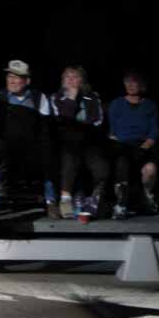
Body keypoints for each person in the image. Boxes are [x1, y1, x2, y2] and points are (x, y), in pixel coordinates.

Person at [0, 60, 57, 219]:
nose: (12, 81)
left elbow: (45, 127)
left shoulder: (38, 98)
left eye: (17, 77)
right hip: (6, 145)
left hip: (32, 147)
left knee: (48, 149)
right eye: (9, 76)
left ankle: (51, 201)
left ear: (27, 81)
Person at [49, 66, 110, 218]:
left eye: (74, 76)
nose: (70, 79)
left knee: (101, 166)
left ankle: (95, 198)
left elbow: (97, 121)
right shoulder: (56, 97)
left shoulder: (92, 97)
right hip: (66, 141)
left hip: (89, 140)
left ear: (82, 80)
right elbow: (62, 119)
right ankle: (65, 199)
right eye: (67, 77)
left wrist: (78, 124)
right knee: (69, 156)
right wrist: (71, 98)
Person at [107, 71, 159, 219]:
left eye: (134, 82)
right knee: (122, 160)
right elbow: (112, 131)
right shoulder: (116, 103)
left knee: (150, 169)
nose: (130, 85)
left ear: (142, 85)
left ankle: (148, 197)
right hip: (122, 145)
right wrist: (118, 143)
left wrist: (146, 145)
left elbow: (154, 130)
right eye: (127, 82)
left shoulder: (150, 105)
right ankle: (121, 204)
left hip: (143, 145)